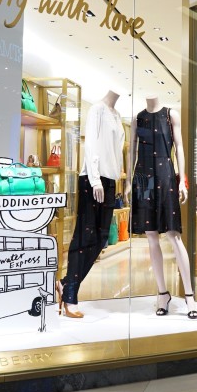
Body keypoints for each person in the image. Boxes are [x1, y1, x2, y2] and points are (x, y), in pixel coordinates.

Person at [129, 96, 197, 319]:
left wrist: (182, 181)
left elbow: (179, 147)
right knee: (151, 236)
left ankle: (189, 296)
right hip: (143, 178)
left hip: (166, 175)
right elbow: (132, 151)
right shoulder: (137, 118)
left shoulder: (171, 115)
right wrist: (128, 181)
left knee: (173, 235)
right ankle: (162, 294)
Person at [57, 89, 124, 319]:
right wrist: (95, 179)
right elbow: (92, 146)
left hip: (110, 180)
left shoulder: (117, 115)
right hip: (94, 180)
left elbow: (117, 151)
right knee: (84, 237)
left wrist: (117, 178)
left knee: (101, 238)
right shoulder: (97, 109)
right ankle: (70, 296)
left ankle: (66, 284)